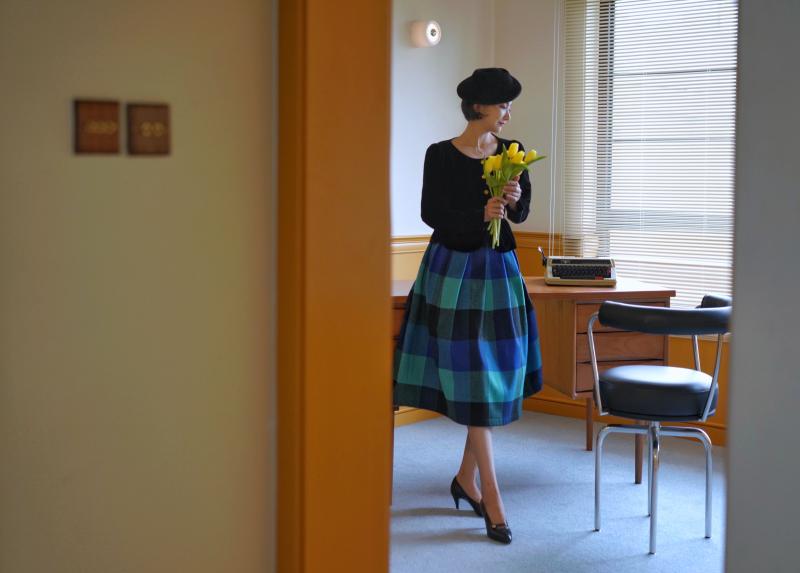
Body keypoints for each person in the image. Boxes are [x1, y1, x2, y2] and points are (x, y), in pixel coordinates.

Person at [393, 68, 544, 545]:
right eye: (503, 104)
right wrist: (480, 214)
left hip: (499, 274)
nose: (508, 113)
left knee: (489, 376)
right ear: (479, 106)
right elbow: (431, 214)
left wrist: (514, 199)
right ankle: (492, 499)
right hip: (451, 274)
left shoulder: (512, 152)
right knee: (475, 376)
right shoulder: (439, 155)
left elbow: (520, 214)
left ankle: (466, 480)